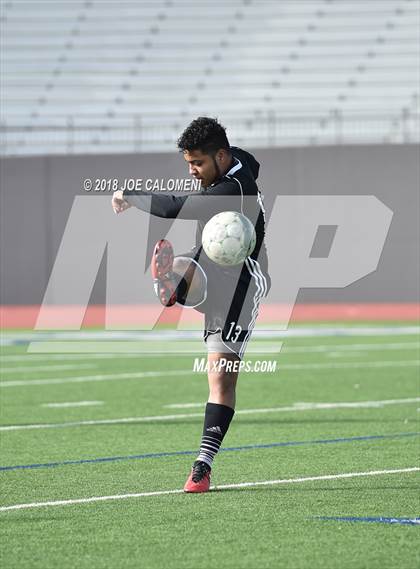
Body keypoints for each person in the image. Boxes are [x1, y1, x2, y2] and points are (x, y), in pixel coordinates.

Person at [112, 117, 270, 493]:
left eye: (197, 163)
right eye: (188, 163)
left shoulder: (234, 188)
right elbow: (252, 161)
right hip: (210, 262)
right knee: (184, 265)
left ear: (220, 156)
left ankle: (203, 465)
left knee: (220, 378)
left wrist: (128, 194)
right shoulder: (239, 161)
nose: (192, 171)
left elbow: (173, 209)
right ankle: (173, 285)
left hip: (241, 287)